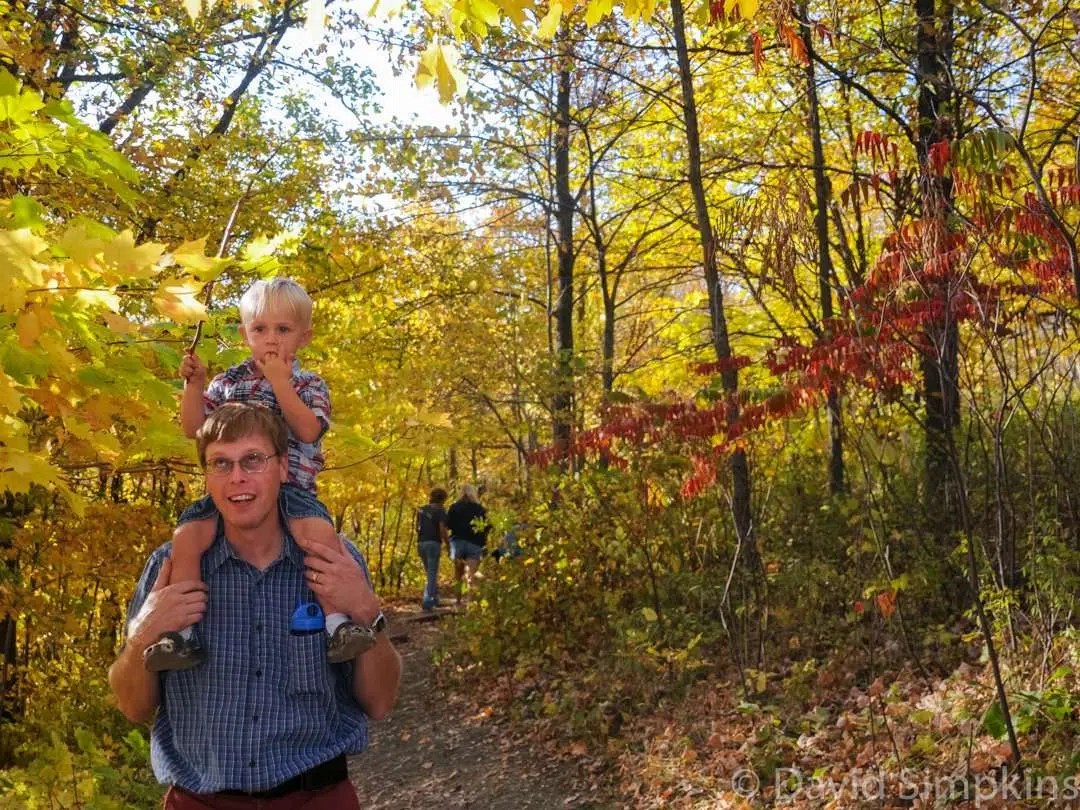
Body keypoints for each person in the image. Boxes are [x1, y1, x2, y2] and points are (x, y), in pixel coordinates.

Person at [109, 403, 402, 809]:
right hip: (200, 801)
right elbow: (132, 707)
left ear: (283, 467)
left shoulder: (335, 562)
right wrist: (143, 635)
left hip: (317, 798)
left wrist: (368, 611)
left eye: (253, 460)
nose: (237, 478)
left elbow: (380, 702)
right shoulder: (172, 568)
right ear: (207, 475)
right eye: (220, 464)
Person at [145, 278, 368, 670]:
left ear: (304, 336)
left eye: (283, 330)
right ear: (244, 333)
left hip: (293, 491)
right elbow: (193, 428)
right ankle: (180, 635)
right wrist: (193, 386)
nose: (270, 340)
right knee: (187, 536)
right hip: (233, 494)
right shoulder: (229, 383)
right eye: (259, 329)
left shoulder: (309, 384)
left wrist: (281, 384)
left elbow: (308, 431)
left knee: (319, 536)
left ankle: (338, 625)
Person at [445, 483, 489, 603]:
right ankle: (471, 603)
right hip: (475, 543)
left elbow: (447, 525)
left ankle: (458, 601)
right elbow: (487, 527)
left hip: (457, 543)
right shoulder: (480, 509)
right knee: (471, 575)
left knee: (458, 575)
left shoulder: (454, 507)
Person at [415, 488, 449, 610]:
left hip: (421, 543)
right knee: (432, 573)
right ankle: (428, 600)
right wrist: (448, 544)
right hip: (433, 543)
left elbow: (417, 528)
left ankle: (434, 598)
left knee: (429, 572)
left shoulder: (421, 510)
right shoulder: (440, 510)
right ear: (443, 499)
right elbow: (442, 529)